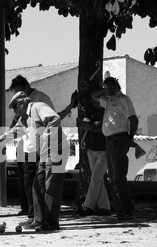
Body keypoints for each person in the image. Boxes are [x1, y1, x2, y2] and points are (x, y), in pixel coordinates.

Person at [8, 75, 76, 222]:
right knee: (34, 184)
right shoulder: (22, 115)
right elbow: (14, 130)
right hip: (31, 148)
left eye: (15, 107)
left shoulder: (39, 101)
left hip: (50, 148)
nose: (14, 111)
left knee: (50, 186)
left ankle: (48, 220)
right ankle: (37, 218)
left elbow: (54, 118)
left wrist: (47, 138)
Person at [91, 77, 139, 220]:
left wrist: (129, 138)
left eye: (109, 87)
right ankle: (120, 210)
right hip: (110, 141)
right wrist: (105, 90)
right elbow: (93, 96)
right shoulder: (109, 101)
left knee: (118, 177)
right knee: (112, 178)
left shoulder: (124, 99)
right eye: (105, 88)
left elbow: (133, 119)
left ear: (115, 86)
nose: (107, 91)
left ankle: (127, 209)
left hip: (119, 139)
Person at [79, 105, 110, 216]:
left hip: (104, 150)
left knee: (96, 177)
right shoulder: (89, 112)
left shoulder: (109, 111)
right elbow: (82, 125)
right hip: (91, 148)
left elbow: (106, 128)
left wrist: (91, 126)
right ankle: (104, 206)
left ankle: (88, 205)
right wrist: (97, 125)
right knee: (98, 178)